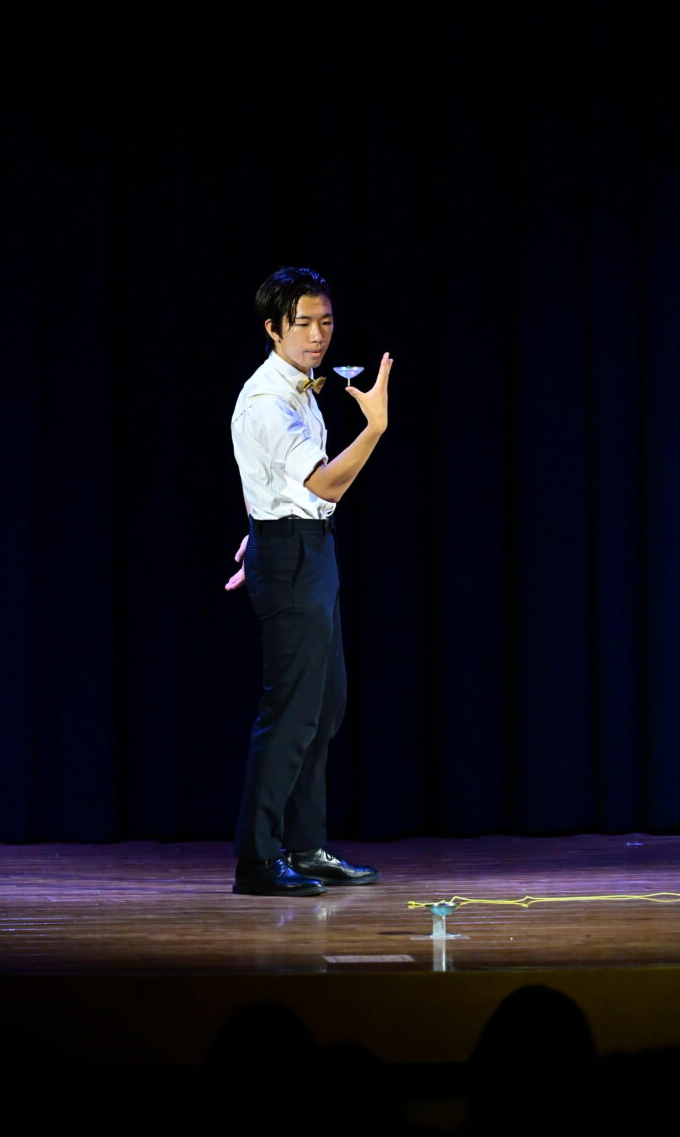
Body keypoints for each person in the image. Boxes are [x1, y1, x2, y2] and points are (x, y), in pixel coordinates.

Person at [225, 266, 393, 896]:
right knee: (291, 712)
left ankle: (305, 844)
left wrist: (260, 530)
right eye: (302, 324)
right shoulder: (268, 400)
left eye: (325, 321)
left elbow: (273, 481)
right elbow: (323, 485)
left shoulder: (298, 388)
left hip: (305, 549)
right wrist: (374, 428)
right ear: (273, 328)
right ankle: (258, 860)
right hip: (293, 556)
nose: (317, 335)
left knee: (324, 707)